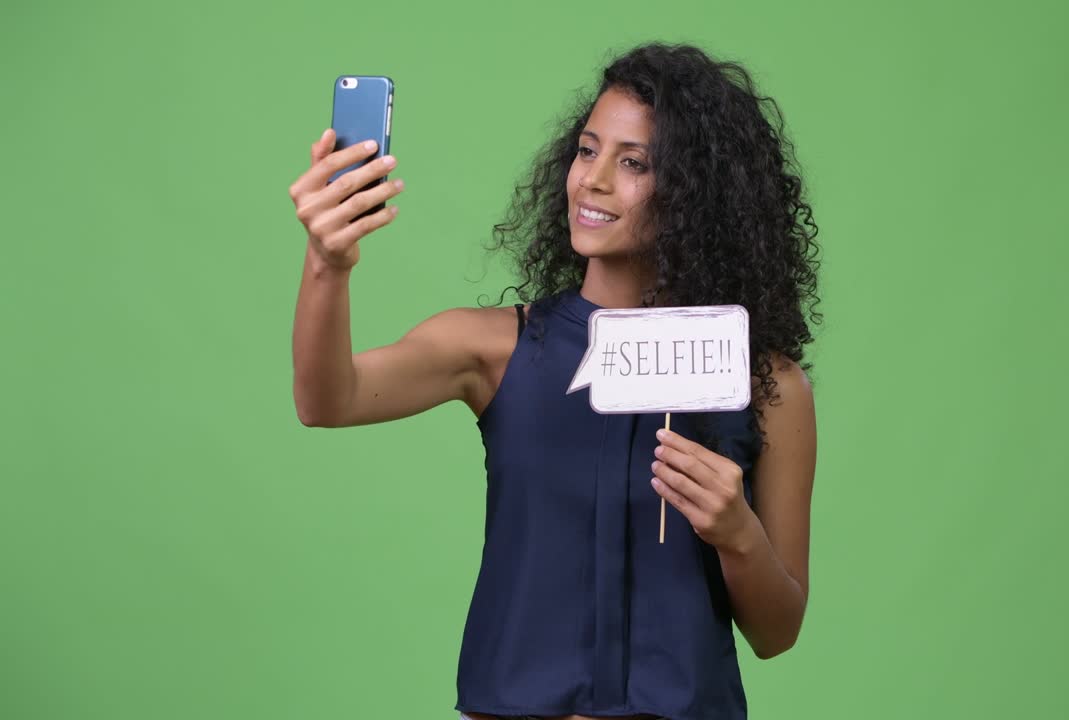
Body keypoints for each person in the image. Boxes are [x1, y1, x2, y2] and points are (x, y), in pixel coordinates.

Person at [290, 42, 820, 720]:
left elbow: (778, 634)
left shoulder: (765, 385)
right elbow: (324, 400)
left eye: (634, 163)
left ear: (697, 193)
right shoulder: (497, 347)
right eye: (587, 150)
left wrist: (735, 530)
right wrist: (327, 263)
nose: (593, 180)